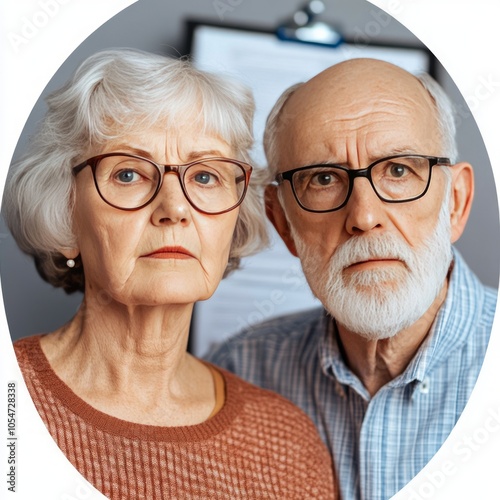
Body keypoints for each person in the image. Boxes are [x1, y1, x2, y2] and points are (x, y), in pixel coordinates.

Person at [4, 48, 337, 499]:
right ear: (64, 214)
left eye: (205, 177)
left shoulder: (286, 444)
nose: (174, 208)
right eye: (128, 174)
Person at [207, 58, 497, 500]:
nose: (363, 216)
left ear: (455, 203)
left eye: (398, 170)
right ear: (282, 223)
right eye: (324, 179)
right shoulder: (239, 375)